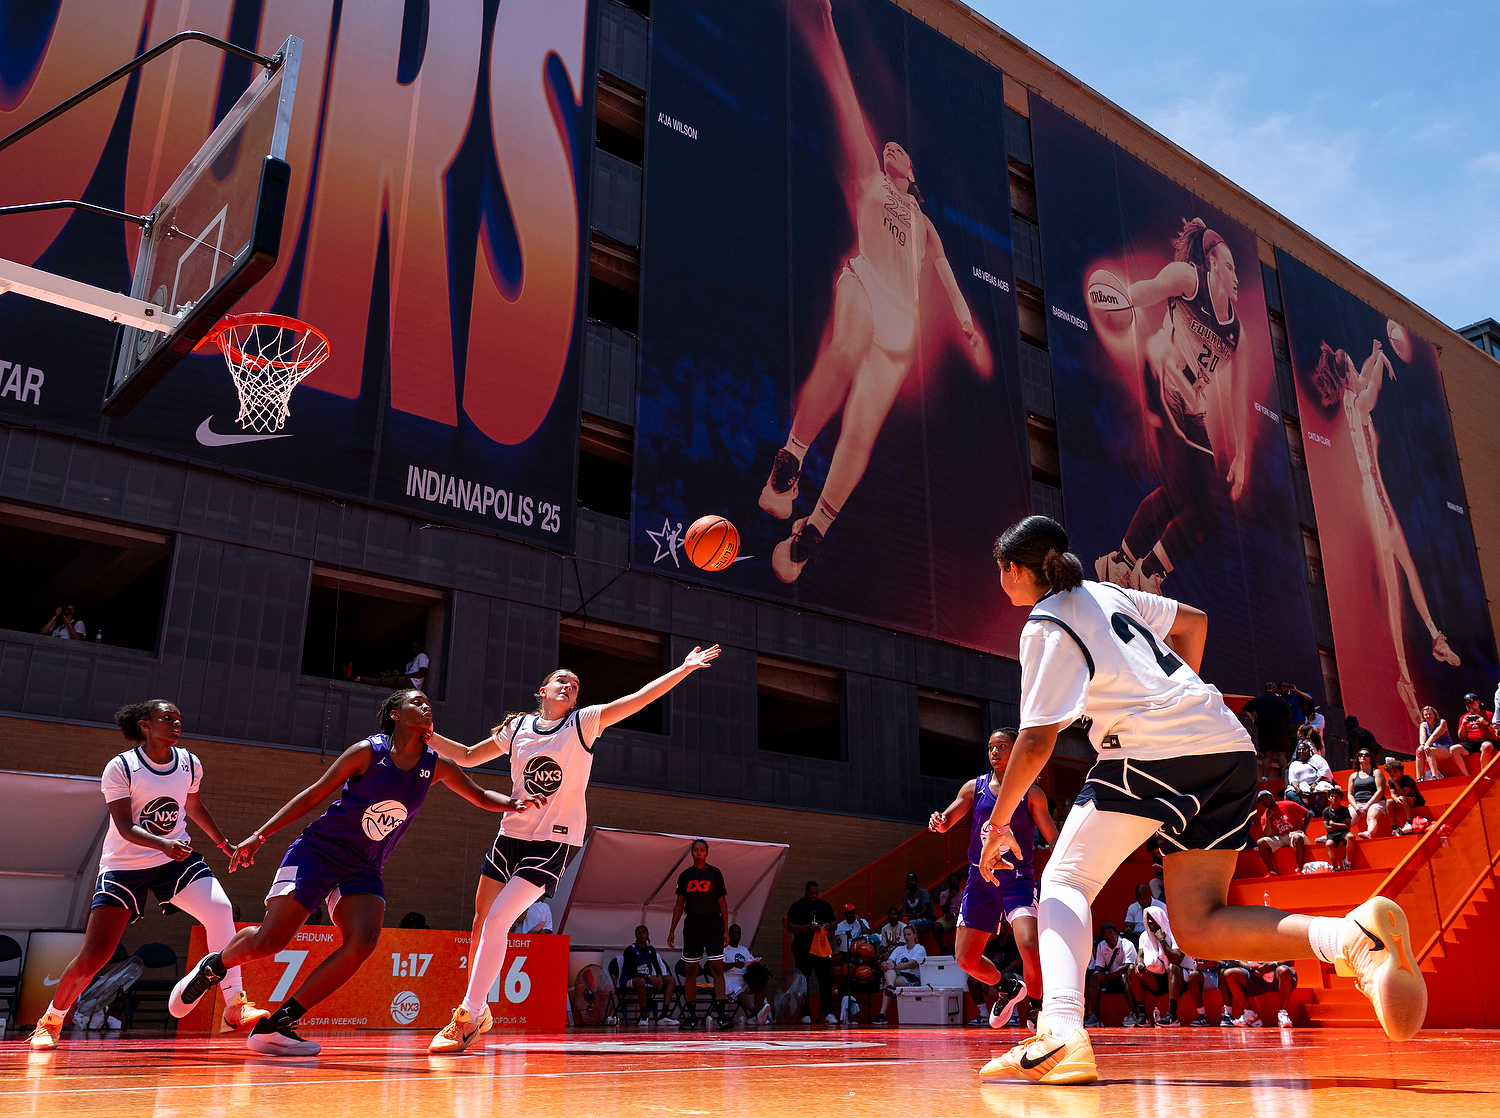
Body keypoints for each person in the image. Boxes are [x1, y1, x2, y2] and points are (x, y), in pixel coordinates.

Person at [976, 515, 1426, 1086]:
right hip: (1226, 745)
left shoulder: (1044, 624)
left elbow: (1036, 739)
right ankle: (1353, 939)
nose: (1000, 580)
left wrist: (996, 826)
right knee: (1198, 923)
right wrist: (1180, 704)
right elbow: (1194, 623)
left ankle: (1061, 1032)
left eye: (1001, 571)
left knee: (1065, 881)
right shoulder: (1108, 593)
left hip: (1151, 750)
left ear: (1015, 569)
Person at [760, 0, 990, 585]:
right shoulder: (868, 173)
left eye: (901, 150)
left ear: (914, 173)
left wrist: (966, 321)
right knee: (844, 345)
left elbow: (944, 271)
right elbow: (844, 92)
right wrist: (829, 27)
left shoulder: (925, 225)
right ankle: (791, 459)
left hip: (901, 323)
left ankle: (814, 529)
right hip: (863, 282)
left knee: (862, 429)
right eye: (888, 147)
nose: (891, 147)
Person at [168, 691, 537, 1055]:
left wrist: (513, 803)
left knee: (362, 942)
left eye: (429, 704)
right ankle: (214, 965)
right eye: (417, 702)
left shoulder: (435, 764)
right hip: (320, 851)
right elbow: (314, 794)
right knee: (271, 941)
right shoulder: (367, 752)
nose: (426, 707)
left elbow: (481, 795)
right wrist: (259, 835)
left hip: (364, 865)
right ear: (395, 712)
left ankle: (278, 1024)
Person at [422, 646, 720, 1051]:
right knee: (480, 923)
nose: (569, 685)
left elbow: (637, 700)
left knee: (497, 921)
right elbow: (470, 757)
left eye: (575, 685)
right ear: (543, 690)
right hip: (510, 834)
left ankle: (469, 1016)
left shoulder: (583, 723)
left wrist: (682, 670)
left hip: (554, 840)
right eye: (562, 680)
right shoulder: (519, 728)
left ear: (577, 699)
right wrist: (423, 734)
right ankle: (479, 1007)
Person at [28, 700, 270, 1051]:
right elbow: (124, 827)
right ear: (145, 725)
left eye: (179, 719)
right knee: (95, 954)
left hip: (173, 859)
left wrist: (224, 845)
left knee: (220, 909)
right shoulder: (121, 767)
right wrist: (163, 843)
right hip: (125, 864)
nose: (175, 723)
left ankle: (234, 1005)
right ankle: (51, 1019)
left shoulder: (189, 763)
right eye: (167, 718)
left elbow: (194, 807)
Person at [1090, 218, 1250, 599]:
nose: (1236, 275)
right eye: (1229, 266)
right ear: (1211, 264)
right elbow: (1146, 290)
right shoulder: (1188, 278)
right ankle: (1119, 564)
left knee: (1209, 514)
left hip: (1193, 405)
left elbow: (1235, 397)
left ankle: (1148, 570)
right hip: (1163, 374)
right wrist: (1121, 299)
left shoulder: (1235, 332)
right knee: (1179, 490)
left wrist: (1241, 452)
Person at [1313, 339, 1460, 724]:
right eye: (1353, 371)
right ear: (1347, 378)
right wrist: (1379, 360)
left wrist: (1376, 352)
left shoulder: (1352, 397)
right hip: (1372, 495)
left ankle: (1434, 636)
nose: (1358, 374)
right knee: (1395, 586)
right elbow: (1372, 387)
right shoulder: (1358, 404)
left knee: (1409, 568)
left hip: (1379, 493)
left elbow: (1364, 376)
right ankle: (1404, 677)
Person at [929, 727, 1059, 1027]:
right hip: (980, 877)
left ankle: (1037, 1008)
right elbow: (948, 820)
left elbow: (1053, 838)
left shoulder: (1032, 793)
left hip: (1018, 877)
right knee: (965, 959)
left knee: (1028, 946)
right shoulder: (974, 788)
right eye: (990, 747)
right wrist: (939, 820)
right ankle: (1007, 987)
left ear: (1017, 751)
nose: (995, 752)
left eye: (1002, 746)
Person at [667, 838, 730, 1028]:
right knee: (691, 970)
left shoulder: (715, 873)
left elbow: (722, 903)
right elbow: (679, 905)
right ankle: (692, 1015)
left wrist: (726, 929)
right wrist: (672, 930)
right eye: (696, 850)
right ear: (692, 853)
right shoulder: (685, 876)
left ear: (707, 853)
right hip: (693, 923)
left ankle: (721, 1014)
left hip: (712, 922)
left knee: (717, 968)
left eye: (702, 850)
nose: (699, 853)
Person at [787, 880, 838, 1024]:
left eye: (816, 893)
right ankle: (804, 1014)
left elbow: (835, 923)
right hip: (803, 950)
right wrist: (808, 928)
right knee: (803, 983)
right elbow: (790, 927)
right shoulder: (797, 906)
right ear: (806, 891)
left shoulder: (825, 905)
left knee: (825, 982)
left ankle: (829, 1013)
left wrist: (829, 926)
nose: (814, 895)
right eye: (811, 893)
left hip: (821, 951)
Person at [1128, 905, 1187, 1027]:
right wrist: (1139, 963)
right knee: (1131, 969)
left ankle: (1172, 1016)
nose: (1149, 921)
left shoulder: (1175, 932)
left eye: (1152, 918)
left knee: (1172, 968)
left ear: (1160, 918)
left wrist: (1162, 941)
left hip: (1180, 976)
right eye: (1147, 918)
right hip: (1158, 978)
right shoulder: (1145, 935)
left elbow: (1177, 960)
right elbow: (1140, 955)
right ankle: (1144, 1016)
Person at [620, 925, 678, 1026]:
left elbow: (657, 966)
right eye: (639, 933)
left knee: (670, 980)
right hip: (631, 978)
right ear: (636, 935)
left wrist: (659, 977)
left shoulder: (651, 949)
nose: (641, 935)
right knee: (641, 981)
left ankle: (663, 1015)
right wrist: (650, 977)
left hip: (647, 977)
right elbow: (633, 971)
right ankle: (644, 1015)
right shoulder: (630, 950)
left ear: (647, 935)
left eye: (644, 932)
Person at [1082, 923, 1136, 1028]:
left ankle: (1134, 1014)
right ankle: (1095, 1017)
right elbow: (1099, 966)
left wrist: (1107, 975)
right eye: (1105, 934)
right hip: (1109, 978)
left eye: (1111, 933)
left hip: (1125, 978)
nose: (1109, 936)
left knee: (1125, 976)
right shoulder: (1101, 946)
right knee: (1094, 979)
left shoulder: (1127, 945)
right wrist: (1098, 975)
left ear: (1116, 932)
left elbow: (1127, 966)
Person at [872, 923, 926, 1025]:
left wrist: (895, 966)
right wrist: (885, 964)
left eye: (909, 934)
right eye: (905, 935)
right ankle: (891, 989)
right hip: (898, 976)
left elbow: (912, 964)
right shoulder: (899, 949)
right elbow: (890, 961)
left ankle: (882, 1014)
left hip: (912, 978)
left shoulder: (920, 948)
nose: (906, 937)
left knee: (887, 983)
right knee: (888, 968)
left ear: (914, 935)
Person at [1222, 961, 1298, 1028]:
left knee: (1284, 970)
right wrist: (1253, 969)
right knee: (1229, 974)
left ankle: (1283, 1015)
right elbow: (1240, 960)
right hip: (1255, 975)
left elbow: (1290, 961)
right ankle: (1249, 1014)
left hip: (1277, 972)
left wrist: (1273, 965)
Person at [1242, 683, 1294, 782]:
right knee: (1281, 754)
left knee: (1268, 755)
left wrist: (1253, 720)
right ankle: (1285, 777)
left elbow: (1246, 709)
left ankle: (1265, 777)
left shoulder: (1258, 699)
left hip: (1264, 729)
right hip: (1279, 729)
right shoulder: (1279, 700)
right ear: (1274, 689)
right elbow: (1288, 714)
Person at [1253, 791, 1310, 876]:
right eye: (1262, 800)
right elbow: (1267, 835)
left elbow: (1308, 814)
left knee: (1297, 837)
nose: (1265, 800)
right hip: (1280, 838)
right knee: (1261, 842)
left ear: (1272, 796)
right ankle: (1272, 871)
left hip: (1293, 834)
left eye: (1266, 797)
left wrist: (1303, 829)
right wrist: (1268, 818)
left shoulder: (1287, 804)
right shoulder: (1264, 816)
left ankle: (1299, 869)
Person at [721, 924, 768, 1025]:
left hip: (744, 980)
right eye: (733, 933)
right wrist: (733, 964)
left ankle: (753, 1018)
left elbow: (751, 961)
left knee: (762, 986)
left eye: (737, 933)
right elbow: (720, 966)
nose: (735, 935)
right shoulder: (724, 949)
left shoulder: (744, 950)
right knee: (739, 991)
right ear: (729, 934)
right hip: (730, 981)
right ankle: (756, 1013)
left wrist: (755, 964)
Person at [1348, 747, 1390, 839]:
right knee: (1348, 820)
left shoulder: (1376, 772)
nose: (1363, 756)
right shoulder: (1353, 776)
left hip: (1375, 802)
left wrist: (1366, 806)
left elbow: (1380, 791)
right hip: (1358, 803)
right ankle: (1333, 836)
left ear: (1370, 759)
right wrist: (1356, 807)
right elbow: (1350, 794)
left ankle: (1369, 833)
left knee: (1372, 817)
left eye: (1366, 755)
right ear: (1358, 758)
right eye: (1360, 755)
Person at [356, 639, 430, 690]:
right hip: (408, 681)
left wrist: (407, 676)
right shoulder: (411, 662)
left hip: (412, 683)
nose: (414, 649)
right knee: (385, 678)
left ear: (421, 647)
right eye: (413, 647)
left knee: (383, 681)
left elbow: (423, 672)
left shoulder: (422, 656)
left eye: (416, 647)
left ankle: (361, 679)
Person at [1284, 739, 1334, 810]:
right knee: (1290, 793)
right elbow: (1292, 779)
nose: (1301, 751)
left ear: (1309, 750)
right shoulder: (1294, 764)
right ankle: (1307, 812)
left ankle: (1318, 812)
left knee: (1324, 789)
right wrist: (1297, 789)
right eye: (1299, 749)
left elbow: (1325, 771)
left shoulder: (1316, 758)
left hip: (1317, 783)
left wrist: (1315, 783)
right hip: (1302, 785)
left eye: (1304, 749)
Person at [1454, 694, 1496, 771]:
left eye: (1471, 703)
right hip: (1472, 743)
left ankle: (1484, 773)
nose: (1469, 705)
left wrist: (1486, 723)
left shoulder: (1488, 714)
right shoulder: (1464, 717)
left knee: (1486, 746)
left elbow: (1496, 733)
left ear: (1478, 702)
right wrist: (1463, 725)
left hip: (1486, 740)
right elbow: (1462, 737)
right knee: (1454, 749)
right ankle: (1466, 776)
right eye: (1466, 704)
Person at [1417, 704, 1460, 779]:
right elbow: (1422, 736)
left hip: (1446, 748)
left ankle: (1435, 775)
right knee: (1419, 752)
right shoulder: (1423, 725)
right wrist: (1421, 745)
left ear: (1434, 714)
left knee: (1430, 750)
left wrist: (1426, 745)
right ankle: (1419, 778)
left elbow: (1435, 735)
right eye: (1426, 715)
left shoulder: (1442, 722)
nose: (1428, 716)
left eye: (1430, 714)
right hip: (1431, 748)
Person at [1384, 759, 1426, 835]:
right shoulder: (1390, 780)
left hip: (1416, 800)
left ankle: (1408, 822)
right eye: (1390, 772)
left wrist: (1395, 782)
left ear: (1401, 771)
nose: (1392, 773)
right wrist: (1396, 799)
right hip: (1402, 801)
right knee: (1389, 802)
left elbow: (1403, 793)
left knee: (1402, 797)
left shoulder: (1408, 779)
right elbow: (1392, 794)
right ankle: (1394, 828)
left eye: (1395, 771)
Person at [1322, 787, 1355, 871]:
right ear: (1329, 798)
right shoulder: (1326, 811)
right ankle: (1335, 866)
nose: (1334, 798)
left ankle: (1347, 862)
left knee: (1351, 837)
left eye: (1336, 797)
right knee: (1329, 844)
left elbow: (1348, 826)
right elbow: (1327, 828)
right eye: (1332, 796)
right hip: (1332, 834)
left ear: (1340, 799)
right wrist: (1341, 824)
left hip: (1344, 832)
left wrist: (1333, 824)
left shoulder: (1344, 810)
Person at [1183, 959, 1223, 1026]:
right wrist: (1199, 965)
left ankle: (1228, 1014)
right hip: (1205, 975)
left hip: (1219, 975)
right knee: (1193, 975)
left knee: (1194, 975)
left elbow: (1228, 963)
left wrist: (1216, 964)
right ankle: (1202, 1016)